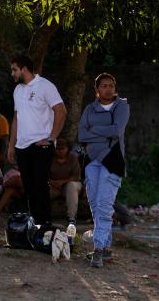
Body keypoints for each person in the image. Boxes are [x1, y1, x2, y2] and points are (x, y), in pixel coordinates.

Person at [8, 55, 66, 225]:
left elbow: (61, 111)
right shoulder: (17, 90)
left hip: (41, 145)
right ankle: (33, 226)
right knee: (29, 188)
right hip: (22, 146)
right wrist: (11, 145)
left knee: (40, 186)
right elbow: (16, 118)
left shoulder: (45, 86)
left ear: (24, 68)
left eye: (14, 69)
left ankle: (45, 227)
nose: (12, 73)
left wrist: (52, 138)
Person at [79, 73, 130, 268]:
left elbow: (117, 131)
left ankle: (98, 250)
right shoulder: (90, 109)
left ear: (114, 88)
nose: (108, 89)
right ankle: (105, 247)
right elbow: (82, 134)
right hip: (92, 160)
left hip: (113, 160)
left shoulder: (121, 107)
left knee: (104, 204)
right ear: (97, 90)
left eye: (111, 85)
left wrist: (94, 131)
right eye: (103, 86)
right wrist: (103, 133)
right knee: (95, 204)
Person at [49, 137, 82, 225]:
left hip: (69, 185)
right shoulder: (50, 158)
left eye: (62, 148)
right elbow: (43, 175)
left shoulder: (73, 157)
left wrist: (63, 181)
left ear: (67, 149)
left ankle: (71, 218)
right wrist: (52, 182)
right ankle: (42, 217)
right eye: (57, 149)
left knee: (71, 186)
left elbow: (76, 176)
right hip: (53, 186)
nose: (60, 151)